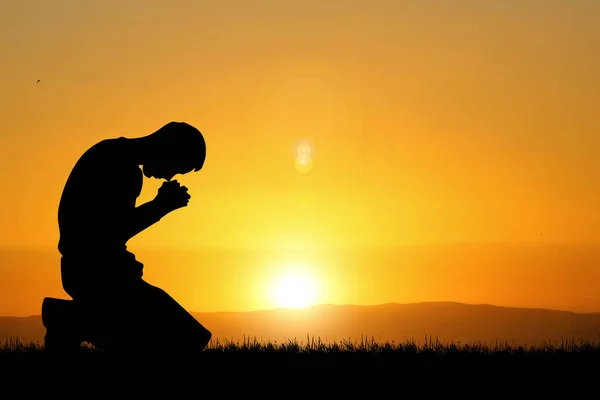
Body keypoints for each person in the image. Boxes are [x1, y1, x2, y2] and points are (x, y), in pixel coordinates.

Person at [47, 121, 212, 357]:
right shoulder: (121, 167)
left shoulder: (111, 154)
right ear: (168, 149)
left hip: (95, 271)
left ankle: (74, 320)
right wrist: (159, 207)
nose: (169, 176)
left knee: (187, 336)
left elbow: (108, 230)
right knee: (186, 339)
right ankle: (72, 321)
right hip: (99, 276)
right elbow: (110, 231)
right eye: (176, 166)